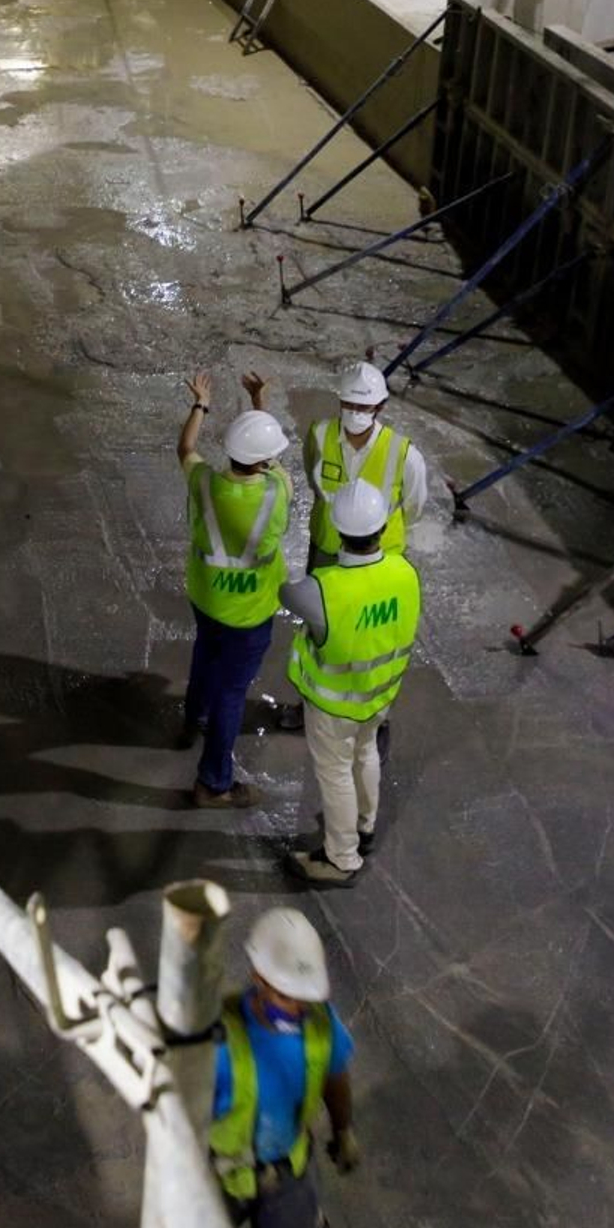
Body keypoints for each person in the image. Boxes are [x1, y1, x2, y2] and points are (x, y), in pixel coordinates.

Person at [212, 907, 359, 1228]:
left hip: (288, 1173)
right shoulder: (217, 1036)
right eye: (286, 994)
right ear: (258, 976)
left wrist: (344, 1129)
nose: (297, 1006)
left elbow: (335, 1076)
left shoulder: (320, 1027)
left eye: (305, 996)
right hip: (219, 1177)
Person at [283, 479, 422, 885]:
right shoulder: (405, 571)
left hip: (334, 707)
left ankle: (342, 858)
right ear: (382, 527)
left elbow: (284, 594)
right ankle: (365, 826)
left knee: (336, 773)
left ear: (337, 529)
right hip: (380, 694)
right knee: (366, 755)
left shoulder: (322, 588)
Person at [178, 369, 292, 808]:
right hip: (250, 612)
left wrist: (200, 404)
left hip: (206, 597)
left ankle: (194, 718)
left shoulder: (204, 481)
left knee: (205, 654)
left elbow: (185, 448)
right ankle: (214, 782)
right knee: (232, 692)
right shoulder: (277, 491)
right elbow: (273, 460)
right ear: (265, 459)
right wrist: (259, 402)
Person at [303, 360, 426, 570]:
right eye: (349, 404)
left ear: (379, 406)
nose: (354, 412)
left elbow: (414, 506)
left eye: (363, 407)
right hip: (328, 547)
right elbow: (313, 480)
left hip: (381, 555)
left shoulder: (405, 454)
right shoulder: (320, 434)